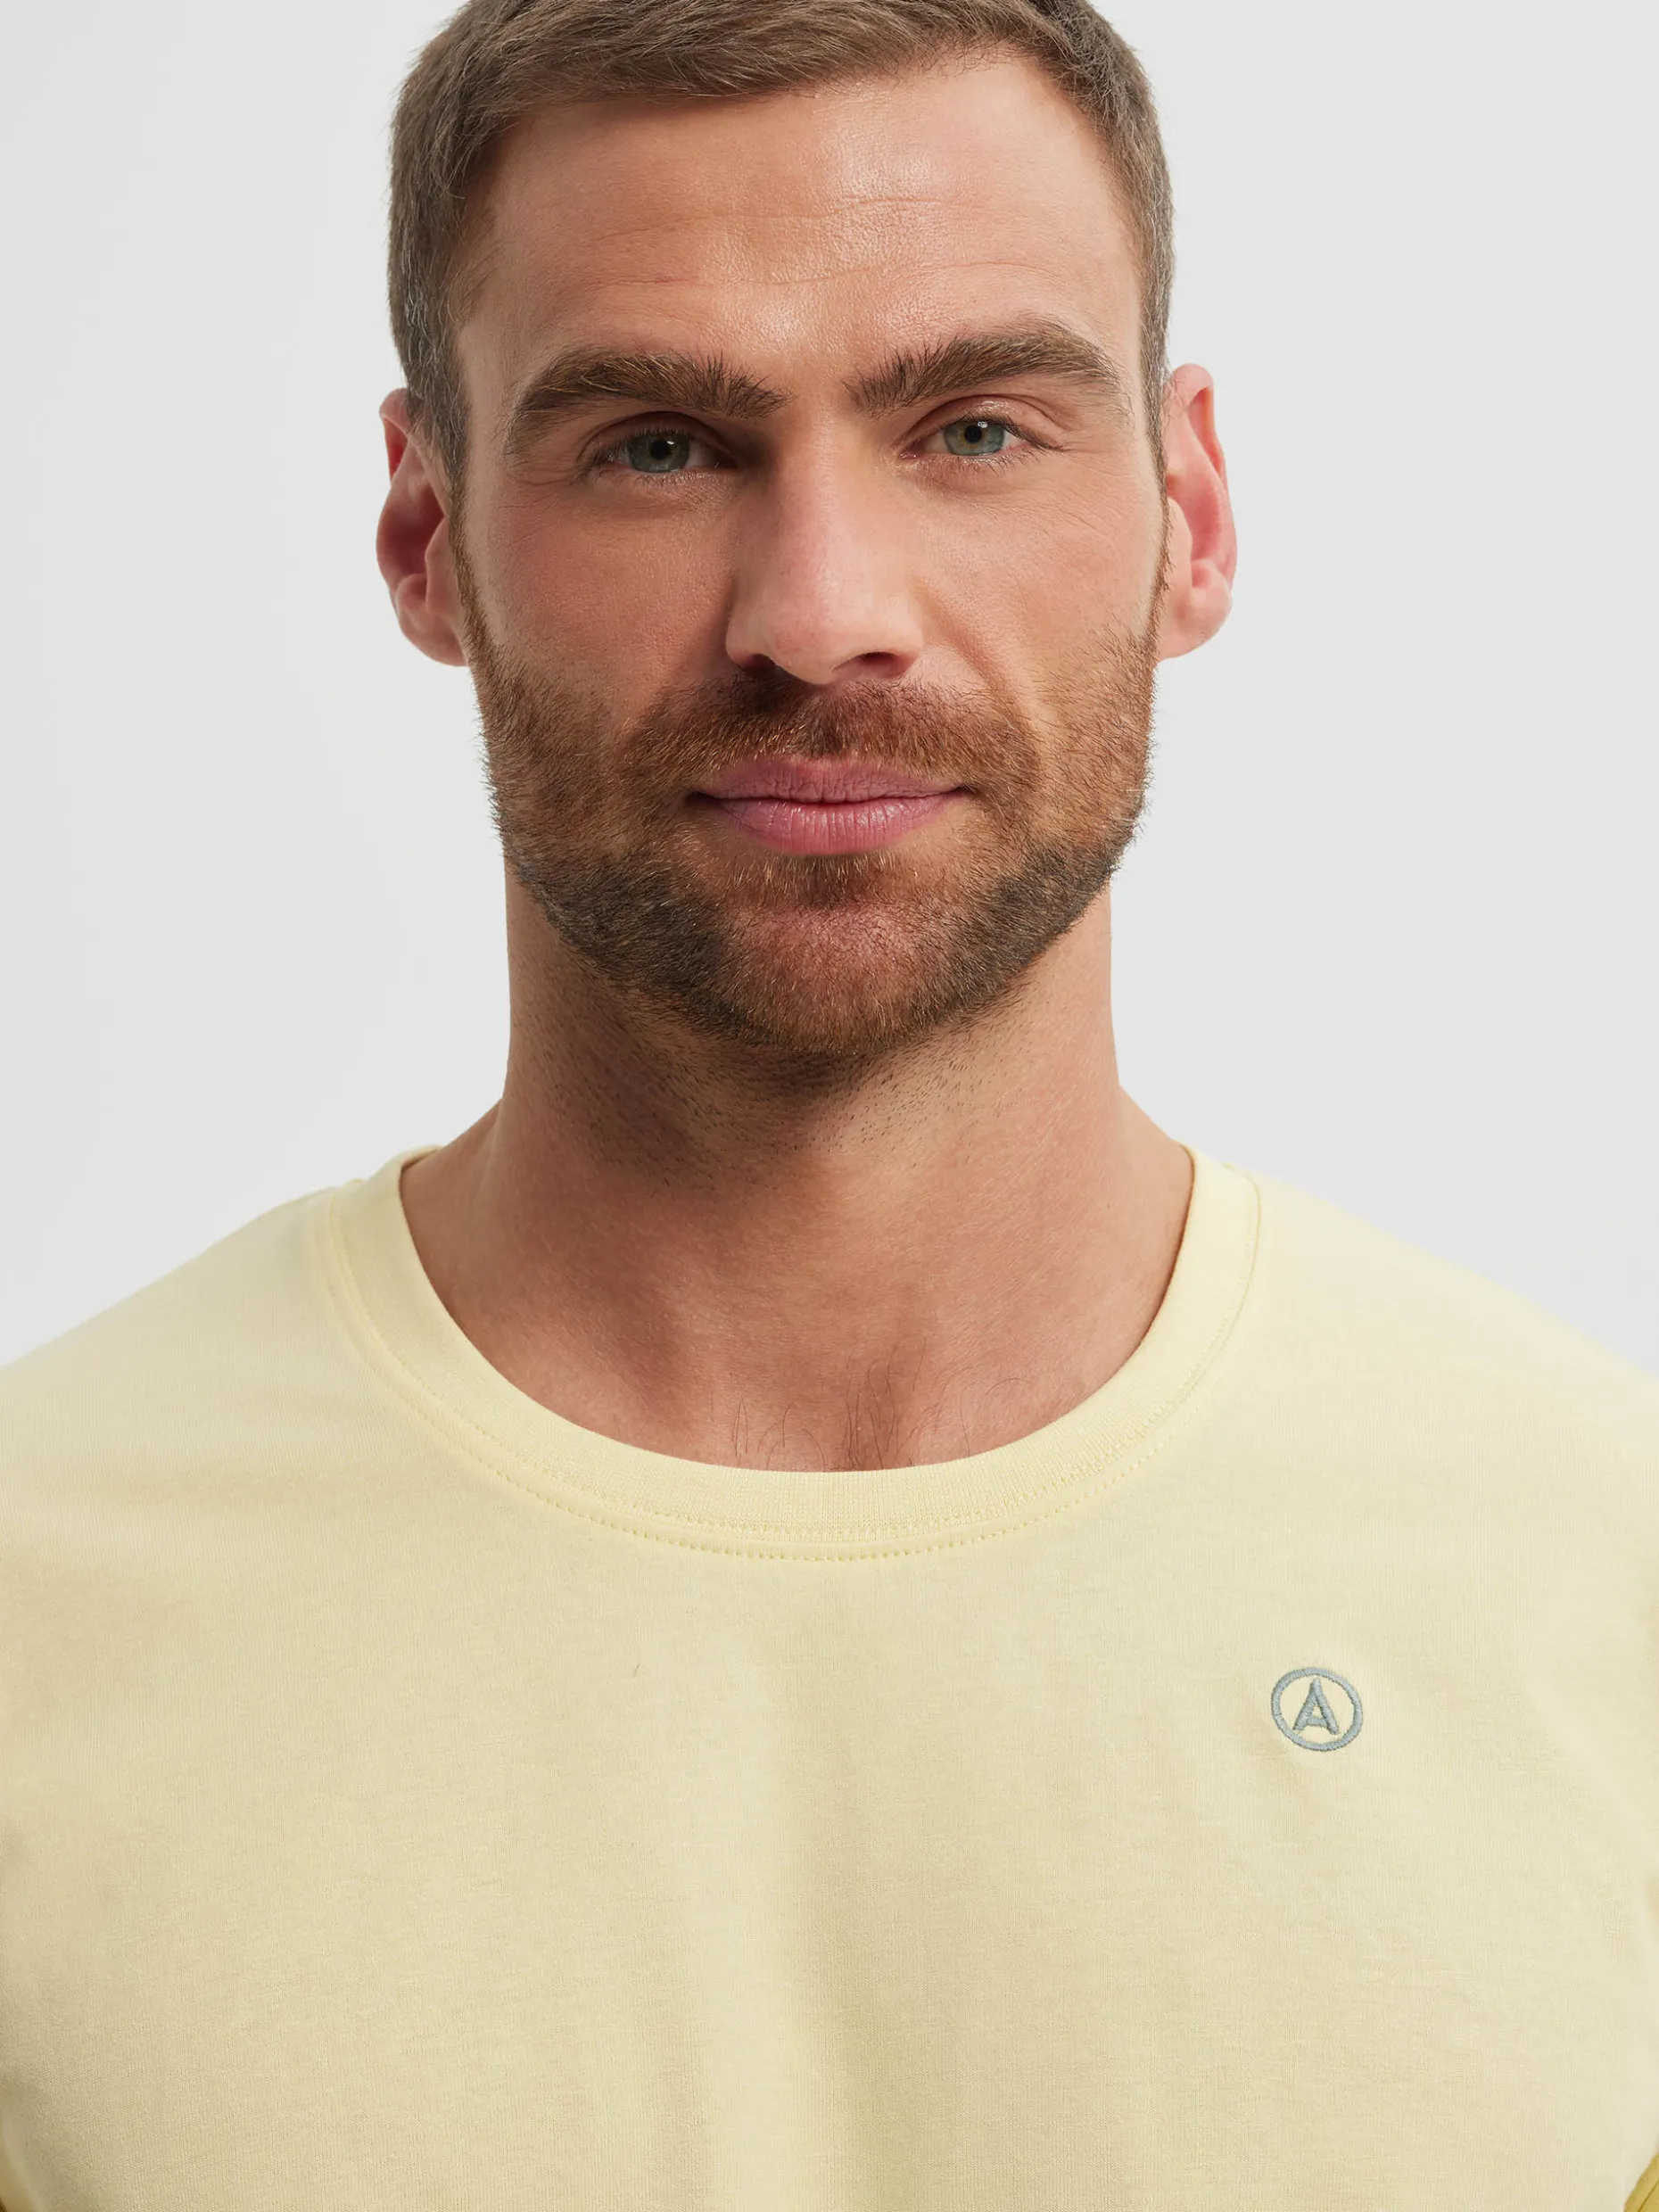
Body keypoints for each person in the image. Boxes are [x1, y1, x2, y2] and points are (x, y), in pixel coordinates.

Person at [3, 0, 1656, 2202]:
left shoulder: (1603, 1586)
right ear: (425, 535)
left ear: (1189, 513)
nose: (822, 614)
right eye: (658, 447)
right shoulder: (38, 1603)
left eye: (972, 428)